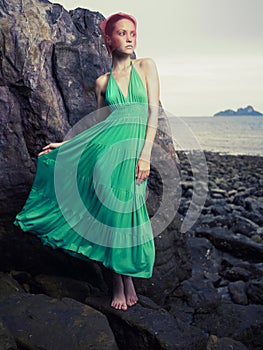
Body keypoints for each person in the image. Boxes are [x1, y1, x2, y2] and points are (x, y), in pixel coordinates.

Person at [14, 12, 160, 311]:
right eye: (122, 33)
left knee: (126, 216)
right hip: (105, 154)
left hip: (133, 155)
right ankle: (119, 283)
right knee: (109, 218)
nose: (130, 38)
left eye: (133, 32)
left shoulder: (146, 66)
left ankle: (127, 279)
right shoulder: (102, 82)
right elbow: (98, 126)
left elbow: (153, 113)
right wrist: (66, 145)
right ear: (109, 39)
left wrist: (145, 155)